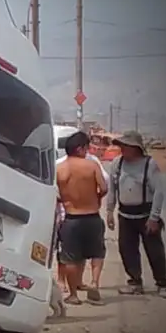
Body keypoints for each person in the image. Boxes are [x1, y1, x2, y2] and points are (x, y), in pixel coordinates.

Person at [106, 131, 166, 298]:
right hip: (125, 215)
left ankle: (162, 283)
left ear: (136, 148)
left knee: (154, 251)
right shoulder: (117, 163)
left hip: (146, 215)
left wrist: (154, 218)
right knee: (127, 249)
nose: (122, 149)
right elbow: (112, 189)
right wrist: (109, 211)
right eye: (121, 146)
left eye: (125, 146)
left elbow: (159, 192)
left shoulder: (149, 165)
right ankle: (135, 282)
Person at [56, 131, 108, 305]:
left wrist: (65, 200)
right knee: (97, 252)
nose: (87, 151)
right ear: (80, 149)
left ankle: (73, 295)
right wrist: (97, 199)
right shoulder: (91, 166)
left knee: (70, 257)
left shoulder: (59, 169)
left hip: (71, 218)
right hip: (92, 216)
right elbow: (104, 187)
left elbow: (55, 194)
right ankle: (94, 283)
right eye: (86, 148)